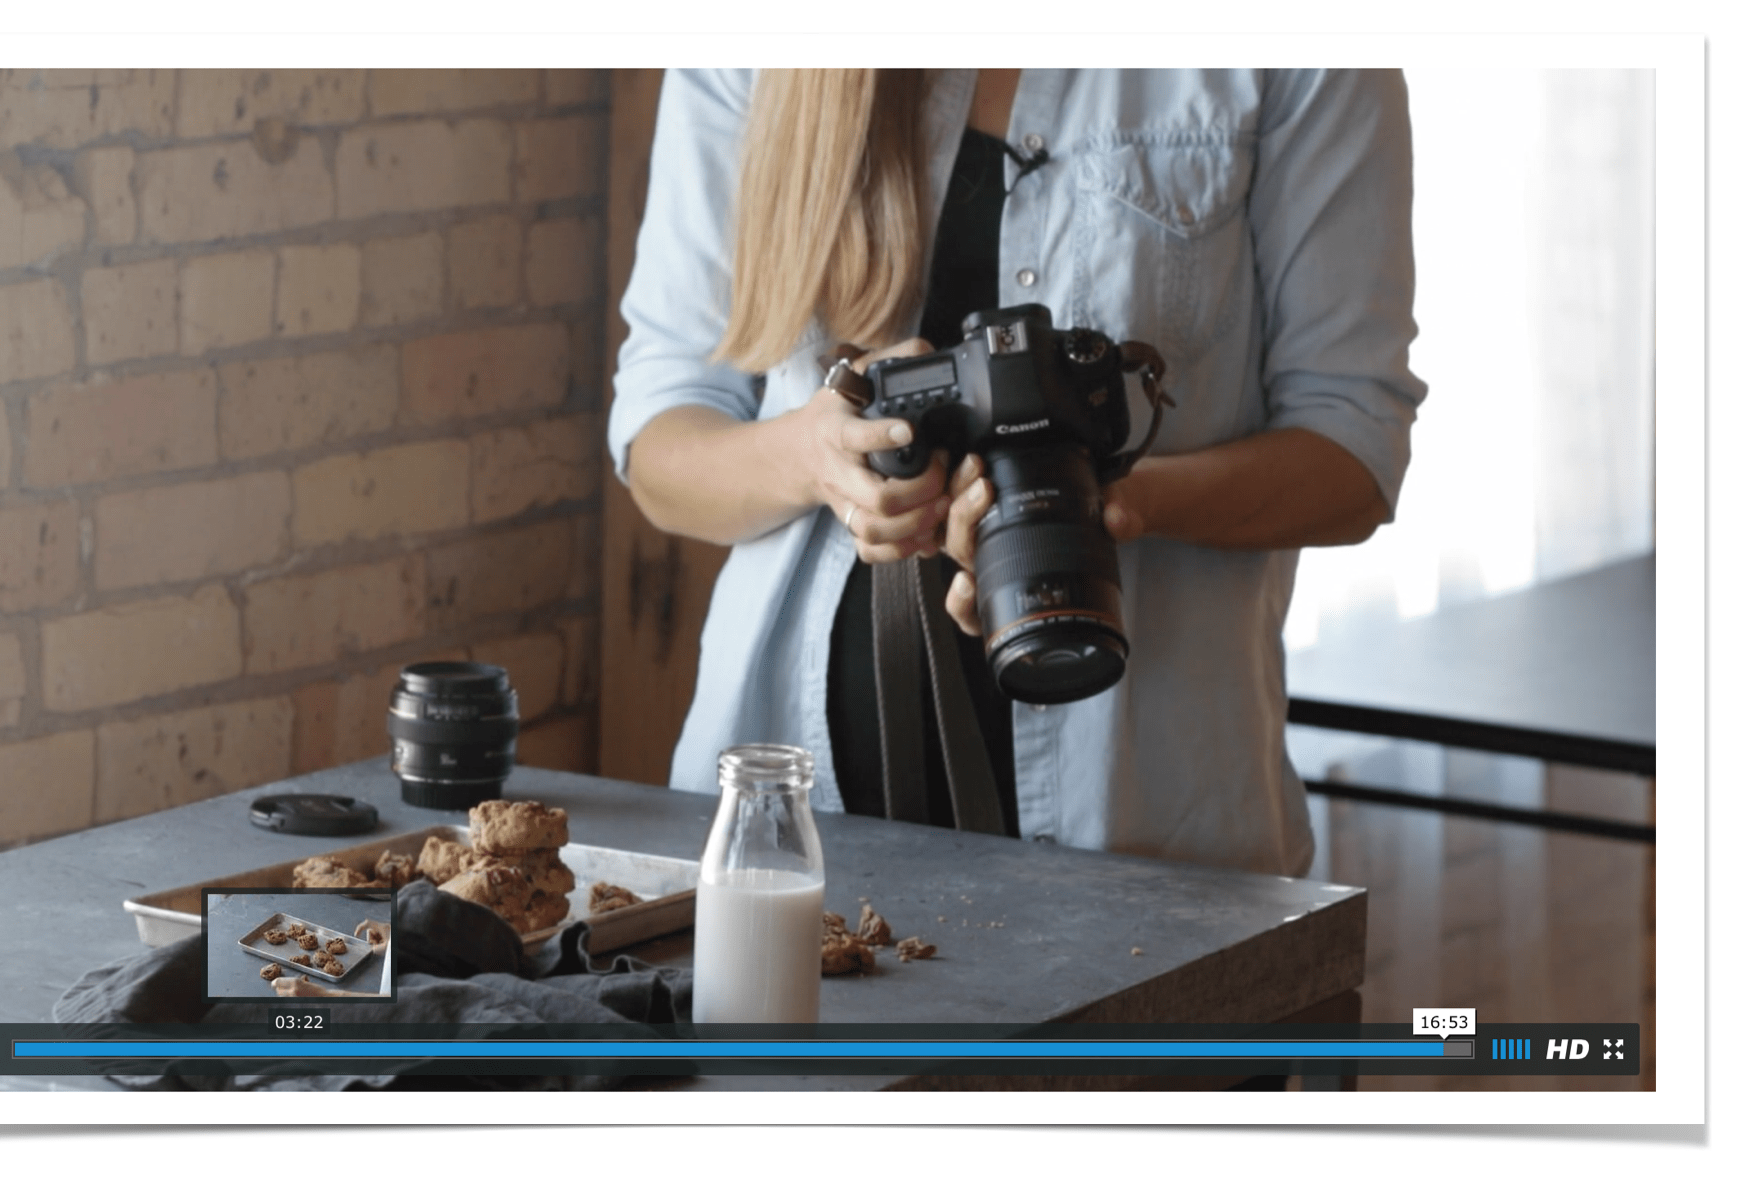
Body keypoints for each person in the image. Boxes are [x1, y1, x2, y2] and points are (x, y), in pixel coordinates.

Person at [608, 69, 1426, 876]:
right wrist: (815, 458)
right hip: (785, 835)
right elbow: (659, 445)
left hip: (1150, 831)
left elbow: (1353, 453)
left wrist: (1100, 504)